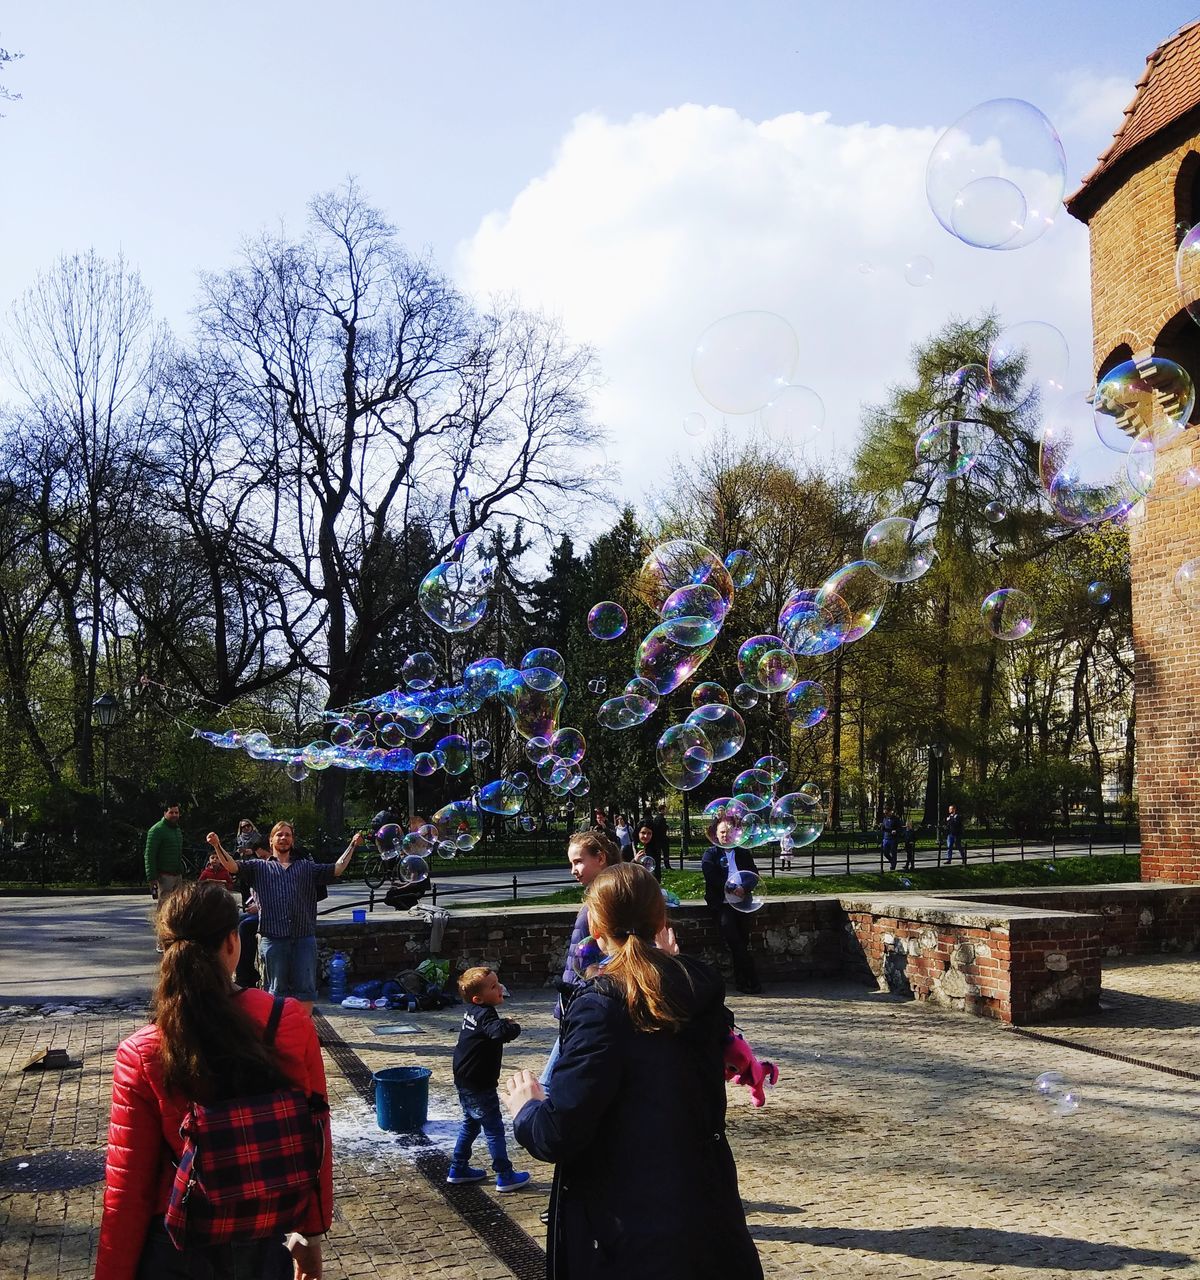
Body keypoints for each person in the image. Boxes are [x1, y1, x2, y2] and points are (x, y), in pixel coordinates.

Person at [503, 864, 763, 1280]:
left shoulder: (600, 1004)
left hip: (627, 1235)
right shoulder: (700, 985)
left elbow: (559, 1133)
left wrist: (528, 1109)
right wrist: (669, 964)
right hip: (706, 1217)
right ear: (662, 920)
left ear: (595, 925)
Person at [95, 880, 331, 1280]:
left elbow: (128, 1185)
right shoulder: (287, 1020)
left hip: (177, 1241)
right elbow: (316, 1138)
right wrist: (310, 1235)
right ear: (232, 942)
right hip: (262, 1235)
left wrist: (112, 1273)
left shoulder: (142, 1051)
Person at [207, 821, 362, 1014]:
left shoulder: (307, 867)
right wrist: (216, 845)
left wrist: (353, 846)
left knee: (305, 991)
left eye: (287, 835)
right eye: (279, 834)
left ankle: (304, 1030)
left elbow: (337, 869)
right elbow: (231, 867)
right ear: (271, 840)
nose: (283, 838)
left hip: (304, 937)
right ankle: (277, 1034)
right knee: (275, 991)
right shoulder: (258, 867)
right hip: (273, 938)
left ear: (292, 840)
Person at [541, 831, 621, 1088]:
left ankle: (537, 1119)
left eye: (578, 861)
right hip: (578, 996)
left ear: (600, 858)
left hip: (585, 998)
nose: (573, 870)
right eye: (571, 863)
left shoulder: (608, 901)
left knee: (552, 1078)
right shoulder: (598, 898)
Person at [448, 966, 532, 1193]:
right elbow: (498, 1033)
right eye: (494, 987)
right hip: (479, 1084)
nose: (500, 988)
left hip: (465, 1079)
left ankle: (458, 1168)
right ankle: (505, 1175)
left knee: (471, 1123)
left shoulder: (473, 1011)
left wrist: (501, 1022)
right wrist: (512, 1026)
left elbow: (490, 1029)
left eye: (498, 982)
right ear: (478, 998)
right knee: (494, 1129)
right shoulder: (486, 1014)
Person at [701, 823, 762, 994]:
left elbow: (753, 874)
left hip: (741, 902)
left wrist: (745, 888)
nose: (725, 835)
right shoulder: (710, 854)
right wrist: (731, 888)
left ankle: (741, 982)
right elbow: (711, 877)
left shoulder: (742, 853)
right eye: (722, 832)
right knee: (735, 941)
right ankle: (753, 979)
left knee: (742, 941)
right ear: (716, 835)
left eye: (729, 832)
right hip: (723, 904)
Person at [145, 801, 184, 952]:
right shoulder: (156, 830)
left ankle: (173, 939)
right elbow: (149, 854)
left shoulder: (177, 830)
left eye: (176, 812)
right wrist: (152, 877)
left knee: (176, 909)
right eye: (171, 812)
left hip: (177, 875)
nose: (174, 815)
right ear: (164, 813)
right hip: (164, 876)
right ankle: (161, 941)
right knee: (163, 909)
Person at [235, 834, 272, 990]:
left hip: (275, 912)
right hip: (262, 907)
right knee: (236, 920)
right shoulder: (264, 866)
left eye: (264, 856)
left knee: (245, 927)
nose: (262, 860)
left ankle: (246, 976)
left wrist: (259, 906)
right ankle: (241, 970)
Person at [880, 807, 899, 872]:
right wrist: (881, 827)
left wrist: (896, 831)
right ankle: (892, 861)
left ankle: (893, 866)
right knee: (885, 853)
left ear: (891, 812)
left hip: (893, 839)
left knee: (893, 852)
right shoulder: (885, 819)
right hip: (886, 838)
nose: (886, 814)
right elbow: (884, 828)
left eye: (887, 813)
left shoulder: (896, 819)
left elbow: (900, 828)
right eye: (885, 813)